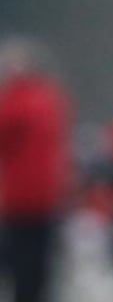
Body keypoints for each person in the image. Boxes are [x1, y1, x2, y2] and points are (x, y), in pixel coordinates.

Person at [0, 38, 74, 302]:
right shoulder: (52, 98)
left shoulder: (15, 100)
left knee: (20, 266)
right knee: (38, 266)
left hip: (20, 196)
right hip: (49, 195)